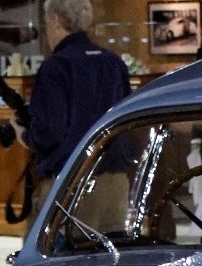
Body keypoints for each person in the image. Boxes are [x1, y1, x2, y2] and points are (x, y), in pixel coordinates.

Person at [21, 0, 131, 181]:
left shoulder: (55, 67)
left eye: (46, 23)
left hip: (71, 182)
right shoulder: (114, 63)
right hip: (116, 177)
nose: (46, 31)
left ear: (56, 20)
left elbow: (49, 133)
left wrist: (25, 135)